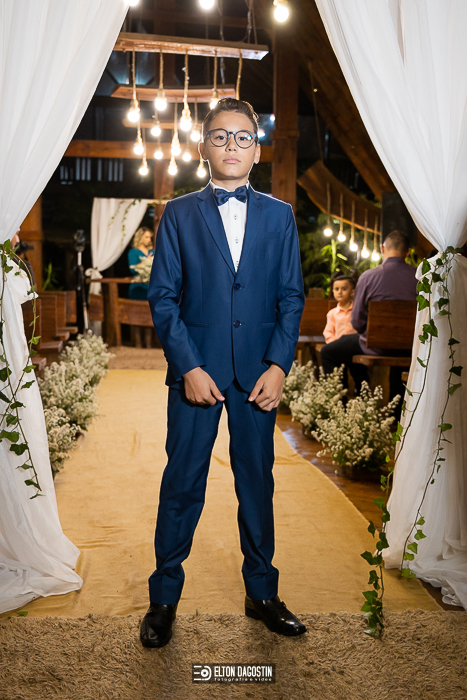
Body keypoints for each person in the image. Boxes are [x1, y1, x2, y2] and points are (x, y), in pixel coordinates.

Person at [141, 98, 306, 648]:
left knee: (257, 482)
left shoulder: (280, 216)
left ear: (256, 151)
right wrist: (188, 366)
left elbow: (291, 297)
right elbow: (163, 297)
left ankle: (262, 594)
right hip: (197, 374)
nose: (231, 145)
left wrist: (279, 365)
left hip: (258, 375)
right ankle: (164, 599)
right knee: (182, 483)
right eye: (220, 136)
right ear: (203, 147)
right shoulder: (178, 214)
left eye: (242, 137)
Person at [320, 230, 417, 394]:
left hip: (374, 346)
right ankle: (397, 408)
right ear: (408, 252)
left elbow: (357, 322)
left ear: (382, 248)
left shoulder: (369, 277)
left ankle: (338, 402)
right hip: (409, 347)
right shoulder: (419, 277)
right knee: (399, 362)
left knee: (327, 352)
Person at [128, 227, 154, 348]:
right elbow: (132, 268)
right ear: (140, 237)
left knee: (149, 315)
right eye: (146, 237)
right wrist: (146, 262)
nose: (149, 240)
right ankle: (137, 343)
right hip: (137, 288)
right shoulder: (133, 252)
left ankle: (148, 344)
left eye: (150, 237)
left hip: (150, 287)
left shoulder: (152, 252)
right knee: (136, 315)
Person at [323, 273, 357, 343]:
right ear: (333, 291)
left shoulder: (357, 311)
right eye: (336, 289)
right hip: (338, 344)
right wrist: (333, 343)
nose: (340, 292)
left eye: (344, 289)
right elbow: (328, 332)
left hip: (355, 344)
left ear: (352, 292)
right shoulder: (332, 313)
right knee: (325, 349)